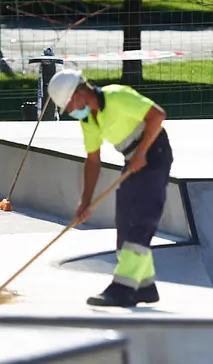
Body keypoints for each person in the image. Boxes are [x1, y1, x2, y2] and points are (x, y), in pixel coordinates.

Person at [47, 69, 173, 307]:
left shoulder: (117, 96)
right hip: (132, 159)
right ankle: (145, 286)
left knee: (142, 220)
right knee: (125, 219)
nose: (71, 112)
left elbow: (157, 115)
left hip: (154, 154)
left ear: (78, 95)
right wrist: (85, 201)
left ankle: (122, 288)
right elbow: (93, 161)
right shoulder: (89, 121)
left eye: (68, 106)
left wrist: (143, 152)